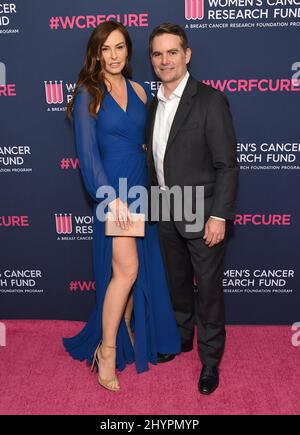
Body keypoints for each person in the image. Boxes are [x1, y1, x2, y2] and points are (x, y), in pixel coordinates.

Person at [63, 21, 180, 392]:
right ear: (96, 54)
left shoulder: (141, 90)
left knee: (132, 270)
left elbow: (151, 142)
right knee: (127, 271)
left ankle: (123, 335)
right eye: (106, 49)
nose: (113, 56)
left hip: (140, 190)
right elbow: (87, 152)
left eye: (119, 47)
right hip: (112, 194)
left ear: (128, 51)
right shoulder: (88, 92)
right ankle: (108, 350)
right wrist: (110, 199)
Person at [146, 23, 239, 395]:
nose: (165, 60)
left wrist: (218, 215)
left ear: (187, 55)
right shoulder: (154, 103)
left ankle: (211, 360)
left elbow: (227, 165)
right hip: (166, 207)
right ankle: (182, 338)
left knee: (210, 291)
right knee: (177, 284)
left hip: (202, 214)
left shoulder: (210, 101)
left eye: (172, 52)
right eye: (157, 53)